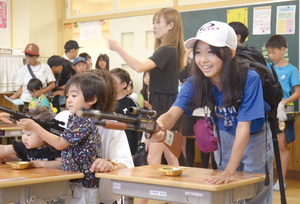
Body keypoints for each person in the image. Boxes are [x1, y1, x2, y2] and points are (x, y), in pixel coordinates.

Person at [150, 21, 274, 203]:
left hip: (255, 136)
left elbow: (243, 127)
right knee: (225, 192)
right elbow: (171, 114)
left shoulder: (249, 78)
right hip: (224, 135)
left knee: (256, 190)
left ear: (230, 53)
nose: (203, 60)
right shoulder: (194, 82)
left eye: (211, 52)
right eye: (198, 52)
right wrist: (157, 126)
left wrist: (230, 171)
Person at [107, 8, 185, 168]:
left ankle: (153, 192)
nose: (154, 26)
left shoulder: (166, 49)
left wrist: (118, 49)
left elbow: (139, 67)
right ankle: (175, 190)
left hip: (163, 103)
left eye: (158, 22)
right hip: (167, 101)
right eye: (153, 23)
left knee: (153, 158)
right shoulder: (171, 49)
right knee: (170, 155)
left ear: (170, 25)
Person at [18, 72, 108, 204]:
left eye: (74, 95)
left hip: (83, 187)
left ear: (92, 100)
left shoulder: (85, 121)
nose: (69, 100)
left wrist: (34, 126)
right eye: (67, 96)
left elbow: (60, 144)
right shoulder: (76, 119)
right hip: (74, 183)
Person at [55, 68, 134, 204]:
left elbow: (127, 165)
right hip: (66, 195)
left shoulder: (112, 126)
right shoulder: (63, 117)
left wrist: (111, 164)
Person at [265, 35, 300, 191]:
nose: (271, 56)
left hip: (283, 112)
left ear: (283, 50)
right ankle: (264, 178)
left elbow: (297, 92)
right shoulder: (266, 68)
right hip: (267, 110)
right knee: (264, 144)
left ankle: (282, 180)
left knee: (281, 145)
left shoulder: (292, 69)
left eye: (273, 52)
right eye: (269, 53)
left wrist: (284, 101)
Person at [10, 43, 55, 112]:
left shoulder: (45, 67)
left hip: (39, 101)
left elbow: (52, 84)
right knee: (22, 121)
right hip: (24, 101)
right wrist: (15, 95)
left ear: (37, 56)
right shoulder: (23, 69)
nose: (28, 60)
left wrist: (40, 92)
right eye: (27, 57)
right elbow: (22, 88)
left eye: (31, 58)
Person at [110, 68, 141, 156]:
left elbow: (137, 129)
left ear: (124, 84)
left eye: (113, 83)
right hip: (111, 143)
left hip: (128, 146)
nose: (110, 86)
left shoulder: (130, 103)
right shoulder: (106, 103)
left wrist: (134, 150)